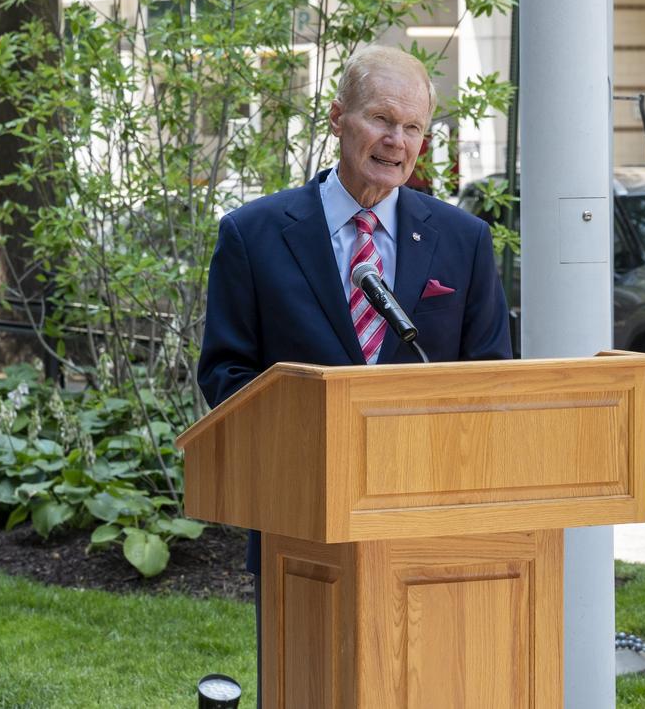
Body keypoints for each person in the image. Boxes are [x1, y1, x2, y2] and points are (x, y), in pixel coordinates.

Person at [196, 44, 511, 701]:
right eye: (381, 119)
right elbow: (225, 372)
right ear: (338, 118)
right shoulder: (253, 235)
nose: (397, 141)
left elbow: (489, 380)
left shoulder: (462, 240)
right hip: (303, 520)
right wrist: (308, 437)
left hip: (426, 519)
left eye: (414, 127)